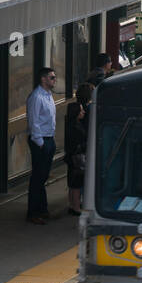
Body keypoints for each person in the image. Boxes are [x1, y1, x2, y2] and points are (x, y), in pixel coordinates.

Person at [25, 67, 57, 224]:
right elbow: (34, 121)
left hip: (49, 138)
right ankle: (33, 212)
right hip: (41, 140)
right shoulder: (36, 97)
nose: (54, 80)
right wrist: (41, 143)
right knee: (38, 177)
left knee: (43, 176)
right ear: (43, 79)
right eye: (51, 77)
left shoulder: (48, 95)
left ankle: (42, 208)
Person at [64, 83, 92, 217]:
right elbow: (79, 143)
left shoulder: (71, 124)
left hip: (72, 157)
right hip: (77, 158)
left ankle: (72, 204)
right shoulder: (76, 128)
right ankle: (75, 207)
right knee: (77, 183)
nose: (83, 112)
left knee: (73, 183)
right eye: (81, 111)